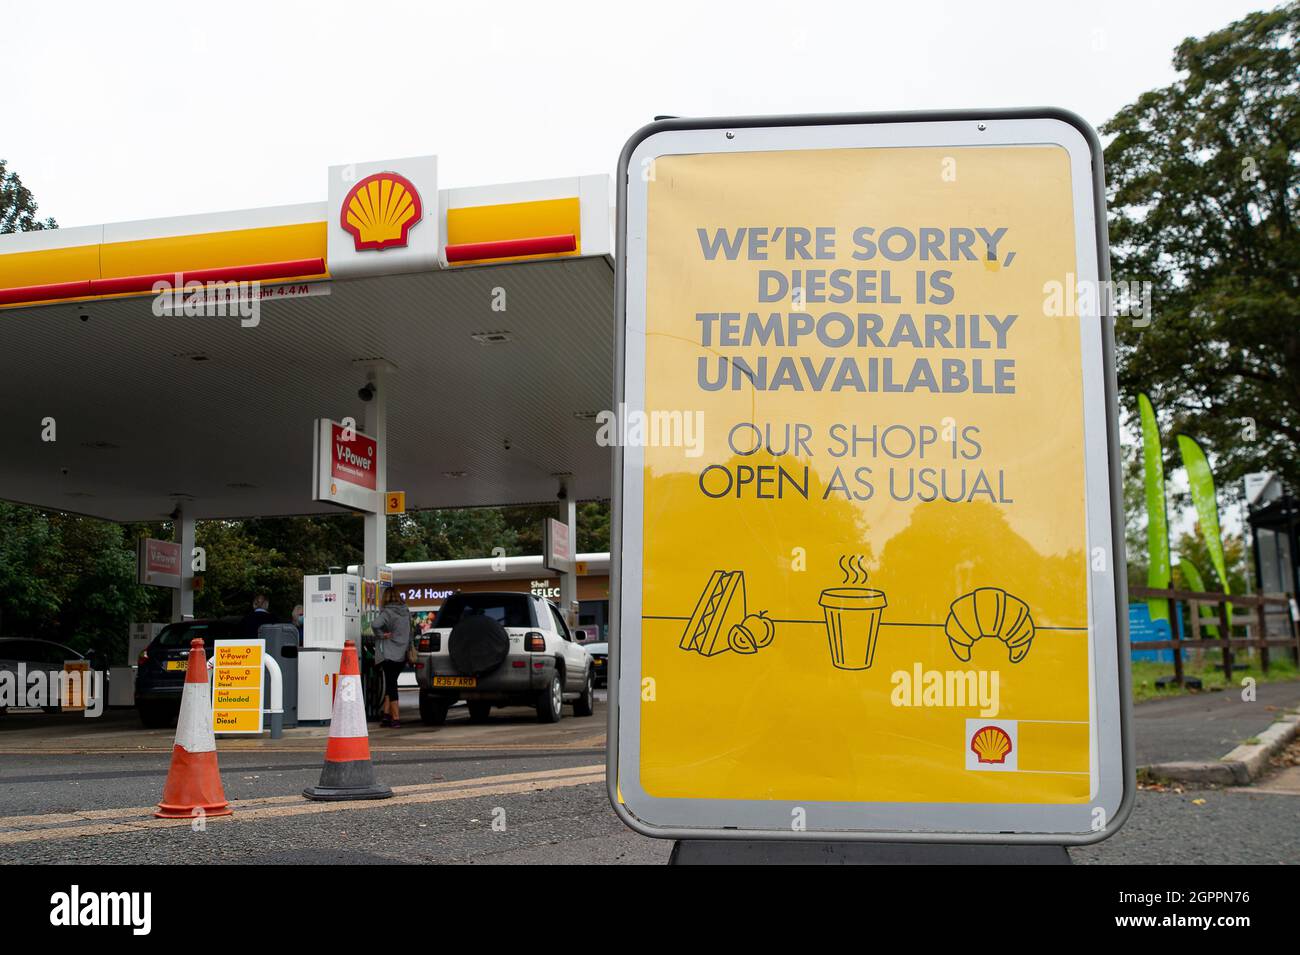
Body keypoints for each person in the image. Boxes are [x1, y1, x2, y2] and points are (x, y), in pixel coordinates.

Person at [370, 588, 411, 728]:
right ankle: (386, 715)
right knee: (390, 682)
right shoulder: (406, 611)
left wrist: (382, 635)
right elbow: (410, 632)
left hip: (389, 653)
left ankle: (396, 718)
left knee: (391, 684)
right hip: (403, 653)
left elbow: (375, 624)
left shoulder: (387, 612)